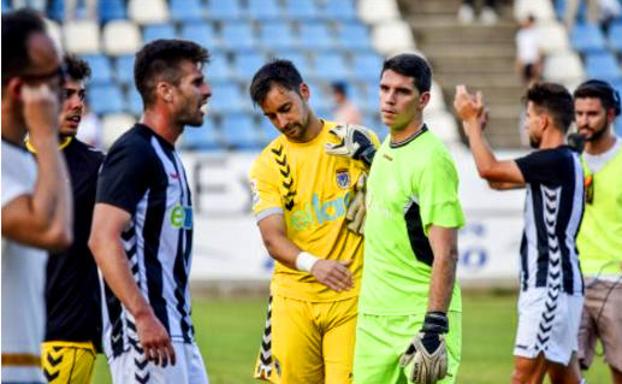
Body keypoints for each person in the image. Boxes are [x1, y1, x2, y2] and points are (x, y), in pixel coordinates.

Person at [88, 39, 211, 384]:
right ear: (166, 91)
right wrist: (142, 316)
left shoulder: (166, 153)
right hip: (144, 338)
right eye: (197, 82)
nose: (208, 91)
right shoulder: (134, 152)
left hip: (176, 332)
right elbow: (101, 238)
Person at [248, 59, 379, 383]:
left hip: (352, 296)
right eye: (271, 116)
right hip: (293, 299)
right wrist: (314, 264)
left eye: (286, 108)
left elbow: (398, 204)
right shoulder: (267, 164)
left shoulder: (357, 142)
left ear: (304, 92)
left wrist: (376, 167)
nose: (281, 121)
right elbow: (272, 239)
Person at [454, 82, 585, 384]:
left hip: (549, 284)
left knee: (523, 378)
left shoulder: (554, 160)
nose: (526, 123)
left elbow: (488, 170)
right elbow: (497, 181)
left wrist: (471, 122)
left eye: (528, 116)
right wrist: (477, 131)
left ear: (544, 121)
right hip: (558, 283)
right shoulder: (562, 160)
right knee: (564, 378)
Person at [346, 53, 464, 384]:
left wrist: (435, 324)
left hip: (419, 317)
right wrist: (368, 157)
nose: (389, 99)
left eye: (402, 92)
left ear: (423, 99)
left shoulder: (433, 159)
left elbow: (447, 251)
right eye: (384, 89)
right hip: (374, 318)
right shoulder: (385, 150)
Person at [1, 8, 73, 384]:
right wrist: (47, 137)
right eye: (57, 76)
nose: (66, 87)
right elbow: (54, 232)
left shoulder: (19, 159)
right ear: (19, 89)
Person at [25, 54, 105, 384]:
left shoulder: (98, 166)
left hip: (65, 335)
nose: (77, 105)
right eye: (66, 95)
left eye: (81, 96)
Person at [573, 79, 622, 384]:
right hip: (573, 281)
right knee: (563, 366)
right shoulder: (569, 159)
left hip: (616, 281)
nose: (583, 121)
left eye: (591, 114)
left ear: (611, 114)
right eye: (578, 113)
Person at [515, 14, 542, 87]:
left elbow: (538, 48)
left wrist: (537, 61)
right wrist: (519, 60)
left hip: (533, 59)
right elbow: (520, 48)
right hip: (524, 59)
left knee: (534, 80)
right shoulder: (520, 34)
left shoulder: (536, 33)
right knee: (525, 80)